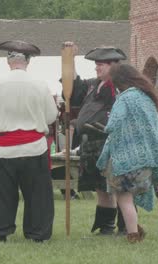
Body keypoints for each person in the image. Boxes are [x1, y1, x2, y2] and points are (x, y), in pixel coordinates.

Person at [0, 40, 58, 243]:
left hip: (4, 149)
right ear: (28, 61)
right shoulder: (40, 85)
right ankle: (37, 233)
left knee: (2, 193)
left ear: (8, 61)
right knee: (37, 194)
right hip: (34, 147)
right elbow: (51, 115)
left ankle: (1, 232)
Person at [62, 42, 127, 235]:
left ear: (114, 66)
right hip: (90, 144)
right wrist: (70, 58)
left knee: (119, 188)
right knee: (100, 188)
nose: (97, 67)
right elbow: (74, 86)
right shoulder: (93, 85)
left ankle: (126, 228)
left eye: (102, 64)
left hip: (110, 144)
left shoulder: (121, 87)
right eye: (96, 64)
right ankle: (105, 228)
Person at [96, 63, 158, 243]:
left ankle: (133, 235)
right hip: (145, 160)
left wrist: (107, 125)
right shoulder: (146, 97)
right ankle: (135, 228)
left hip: (125, 161)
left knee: (124, 198)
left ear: (119, 81)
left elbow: (113, 124)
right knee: (128, 198)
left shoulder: (125, 98)